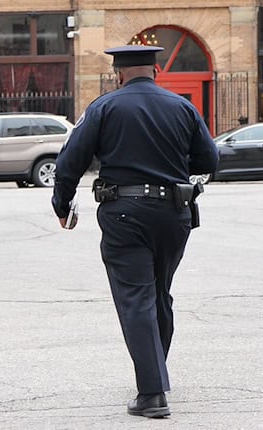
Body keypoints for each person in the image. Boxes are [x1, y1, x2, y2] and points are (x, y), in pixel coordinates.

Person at [51, 45, 218, 419]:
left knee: (136, 298)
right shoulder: (182, 107)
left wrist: (62, 205)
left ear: (118, 74)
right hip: (175, 213)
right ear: (156, 70)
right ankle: (155, 369)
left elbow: (69, 161)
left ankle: (153, 393)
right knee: (159, 293)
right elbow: (210, 160)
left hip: (124, 213)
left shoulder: (104, 107)